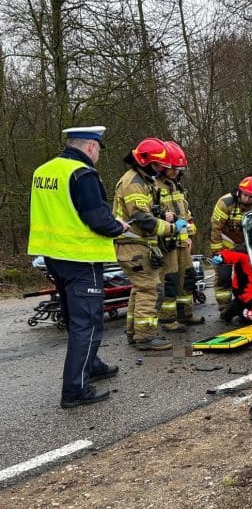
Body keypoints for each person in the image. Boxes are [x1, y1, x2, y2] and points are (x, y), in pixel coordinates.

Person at [27, 126, 129, 408]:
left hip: (54, 256)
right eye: (98, 150)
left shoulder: (44, 171)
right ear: (91, 147)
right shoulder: (82, 174)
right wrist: (117, 226)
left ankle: (92, 365)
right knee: (88, 323)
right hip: (81, 258)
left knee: (75, 318)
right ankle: (75, 390)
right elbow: (97, 219)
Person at [113, 138, 184, 351]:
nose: (160, 169)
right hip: (134, 245)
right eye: (157, 165)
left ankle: (134, 332)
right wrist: (171, 228)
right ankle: (145, 336)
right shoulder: (134, 182)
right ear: (145, 162)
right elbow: (142, 218)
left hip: (133, 244)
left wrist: (162, 213)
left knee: (141, 288)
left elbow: (147, 211)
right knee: (151, 289)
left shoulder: (142, 180)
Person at [155, 140, 204, 332]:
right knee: (171, 280)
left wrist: (190, 232)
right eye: (172, 168)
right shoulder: (155, 186)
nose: (175, 171)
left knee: (188, 278)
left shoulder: (177, 186)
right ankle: (168, 319)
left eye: (178, 168)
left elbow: (186, 214)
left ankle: (185, 314)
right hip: (166, 243)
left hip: (183, 242)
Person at [210, 176, 252, 315]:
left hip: (244, 245)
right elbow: (216, 228)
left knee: (245, 277)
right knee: (224, 276)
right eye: (245, 195)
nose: (248, 200)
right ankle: (224, 307)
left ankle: (243, 304)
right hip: (225, 241)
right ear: (239, 192)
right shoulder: (225, 203)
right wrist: (217, 252)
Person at [213, 247, 252, 324]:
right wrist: (221, 257)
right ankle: (240, 314)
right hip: (245, 293)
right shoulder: (245, 252)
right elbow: (231, 254)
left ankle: (230, 313)